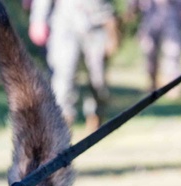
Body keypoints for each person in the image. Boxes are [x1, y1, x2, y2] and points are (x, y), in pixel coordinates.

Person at [28, 0, 116, 129]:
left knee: (98, 81)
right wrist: (38, 19)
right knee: (63, 76)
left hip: (97, 22)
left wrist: (112, 30)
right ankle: (62, 126)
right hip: (65, 23)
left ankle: (95, 120)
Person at [128, 0, 181, 93]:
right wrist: (132, 6)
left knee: (173, 50)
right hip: (149, 11)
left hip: (173, 10)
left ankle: (173, 85)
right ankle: (152, 83)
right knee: (149, 50)